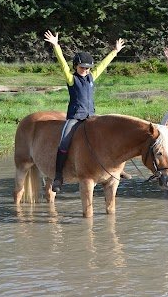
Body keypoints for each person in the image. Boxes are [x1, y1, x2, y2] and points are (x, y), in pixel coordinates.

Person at [44, 30, 125, 193]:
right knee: (64, 143)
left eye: (88, 68)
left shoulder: (91, 77)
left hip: (91, 117)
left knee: (107, 137)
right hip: (75, 117)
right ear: (76, 66)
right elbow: (63, 64)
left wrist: (115, 51)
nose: (85, 70)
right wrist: (56, 46)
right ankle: (58, 176)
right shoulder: (71, 79)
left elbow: (103, 65)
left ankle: (114, 168)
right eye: (82, 68)